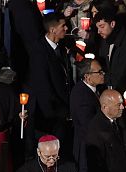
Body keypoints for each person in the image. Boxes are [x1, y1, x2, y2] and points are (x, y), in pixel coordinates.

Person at [70, 58, 106, 172]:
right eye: (98, 72)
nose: (102, 75)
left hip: (91, 148)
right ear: (87, 76)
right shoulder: (82, 96)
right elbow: (88, 125)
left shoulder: (92, 90)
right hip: (87, 150)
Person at [27, 12, 73, 145]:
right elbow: (44, 87)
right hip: (50, 114)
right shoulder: (39, 52)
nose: (66, 29)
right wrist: (61, 111)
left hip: (62, 108)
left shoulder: (62, 47)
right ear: (52, 30)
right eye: (63, 26)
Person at [96, 9, 126, 91]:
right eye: (97, 28)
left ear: (112, 24)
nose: (98, 31)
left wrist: (98, 78)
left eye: (102, 27)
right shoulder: (105, 40)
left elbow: (121, 75)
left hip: (124, 90)